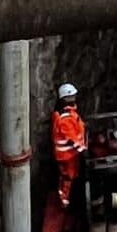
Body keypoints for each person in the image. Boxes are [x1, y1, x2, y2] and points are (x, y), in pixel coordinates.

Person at [51, 82, 88, 212]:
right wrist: (83, 150)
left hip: (69, 154)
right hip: (67, 155)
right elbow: (71, 137)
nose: (75, 97)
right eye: (72, 95)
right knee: (68, 177)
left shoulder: (67, 114)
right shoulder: (65, 118)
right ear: (66, 98)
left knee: (68, 176)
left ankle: (66, 199)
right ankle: (65, 202)